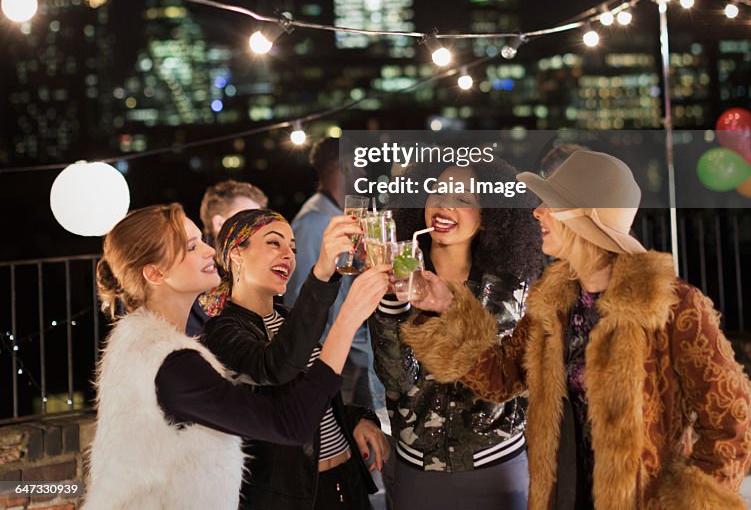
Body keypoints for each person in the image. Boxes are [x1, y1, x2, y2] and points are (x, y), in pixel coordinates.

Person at [401, 150, 751, 510]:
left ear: (585, 218)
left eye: (551, 203)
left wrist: (688, 504)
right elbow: (501, 378)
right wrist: (444, 306)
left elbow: (732, 424)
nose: (537, 212)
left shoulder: (674, 305)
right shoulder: (552, 303)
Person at [82, 203, 388, 510]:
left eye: (202, 240)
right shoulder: (172, 362)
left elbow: (292, 407)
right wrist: (346, 318)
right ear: (155, 273)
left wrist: (356, 418)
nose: (208, 251)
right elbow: (288, 418)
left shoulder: (149, 351)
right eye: (191, 246)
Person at [370, 162, 543, 510]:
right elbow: (397, 379)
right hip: (418, 472)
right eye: (437, 192)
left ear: (490, 213)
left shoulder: (514, 287)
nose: (445, 204)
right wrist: (391, 304)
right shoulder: (399, 277)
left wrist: (450, 309)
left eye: (463, 197)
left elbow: (509, 379)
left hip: (500, 469)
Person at [201, 208, 389, 510]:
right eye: (274, 243)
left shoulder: (288, 318)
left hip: (347, 480)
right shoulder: (221, 331)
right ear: (236, 253)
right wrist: (325, 275)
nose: (288, 254)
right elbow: (275, 369)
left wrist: (357, 418)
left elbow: (312, 396)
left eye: (293, 247)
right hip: (296, 497)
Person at [287, 137, 376, 407]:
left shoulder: (332, 216)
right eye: (360, 166)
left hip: (352, 353)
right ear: (346, 166)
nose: (363, 174)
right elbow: (300, 300)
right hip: (338, 359)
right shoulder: (315, 222)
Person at [187, 178, 269, 337]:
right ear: (219, 223)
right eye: (247, 220)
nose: (257, 229)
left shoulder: (243, 266)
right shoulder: (201, 270)